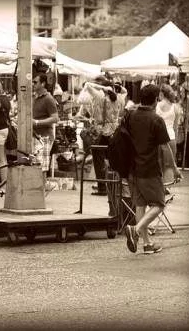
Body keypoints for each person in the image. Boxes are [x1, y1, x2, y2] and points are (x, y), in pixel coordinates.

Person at [124, 85, 182, 254]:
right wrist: (175, 169)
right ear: (156, 99)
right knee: (159, 204)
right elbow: (165, 148)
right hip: (149, 168)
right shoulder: (156, 120)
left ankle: (147, 244)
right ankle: (135, 230)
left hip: (132, 169)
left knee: (140, 205)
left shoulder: (130, 116)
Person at [78, 77, 127, 196]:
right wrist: (116, 87)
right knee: (112, 159)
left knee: (98, 159)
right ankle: (113, 184)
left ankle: (102, 188)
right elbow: (125, 91)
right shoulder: (120, 98)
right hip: (114, 132)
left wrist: (100, 87)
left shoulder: (98, 96)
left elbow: (88, 85)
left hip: (100, 132)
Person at [32, 73, 59, 172]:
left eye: (35, 82)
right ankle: (38, 186)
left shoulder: (48, 98)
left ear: (42, 84)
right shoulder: (34, 97)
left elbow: (55, 118)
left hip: (45, 137)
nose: (32, 83)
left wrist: (37, 122)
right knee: (35, 166)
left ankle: (42, 187)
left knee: (42, 168)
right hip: (35, 136)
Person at [156, 84, 179, 184]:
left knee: (158, 164)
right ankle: (167, 188)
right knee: (169, 164)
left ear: (161, 93)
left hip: (158, 139)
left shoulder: (156, 106)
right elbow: (175, 127)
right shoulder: (175, 107)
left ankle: (159, 189)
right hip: (171, 138)